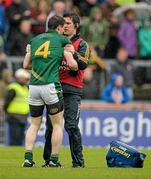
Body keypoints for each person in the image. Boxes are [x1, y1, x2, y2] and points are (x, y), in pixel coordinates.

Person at [22, 15, 77, 168]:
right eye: (62, 28)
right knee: (57, 124)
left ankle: (28, 158)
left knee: (34, 124)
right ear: (59, 28)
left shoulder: (34, 40)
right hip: (51, 86)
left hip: (33, 86)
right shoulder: (62, 40)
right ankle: (53, 160)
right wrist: (70, 56)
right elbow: (73, 65)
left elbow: (25, 64)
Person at [43, 12, 90, 168]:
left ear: (76, 25)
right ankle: (48, 160)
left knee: (71, 126)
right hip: (54, 88)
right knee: (50, 126)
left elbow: (83, 64)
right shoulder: (55, 41)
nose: (65, 26)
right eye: (63, 24)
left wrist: (72, 53)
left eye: (68, 23)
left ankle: (78, 163)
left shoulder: (82, 44)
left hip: (72, 90)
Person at [3, 68, 30, 145]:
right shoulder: (13, 87)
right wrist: (7, 112)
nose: (26, 79)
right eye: (25, 78)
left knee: (20, 137)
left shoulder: (25, 88)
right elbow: (7, 101)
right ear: (19, 77)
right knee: (15, 137)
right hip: (14, 116)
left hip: (23, 116)